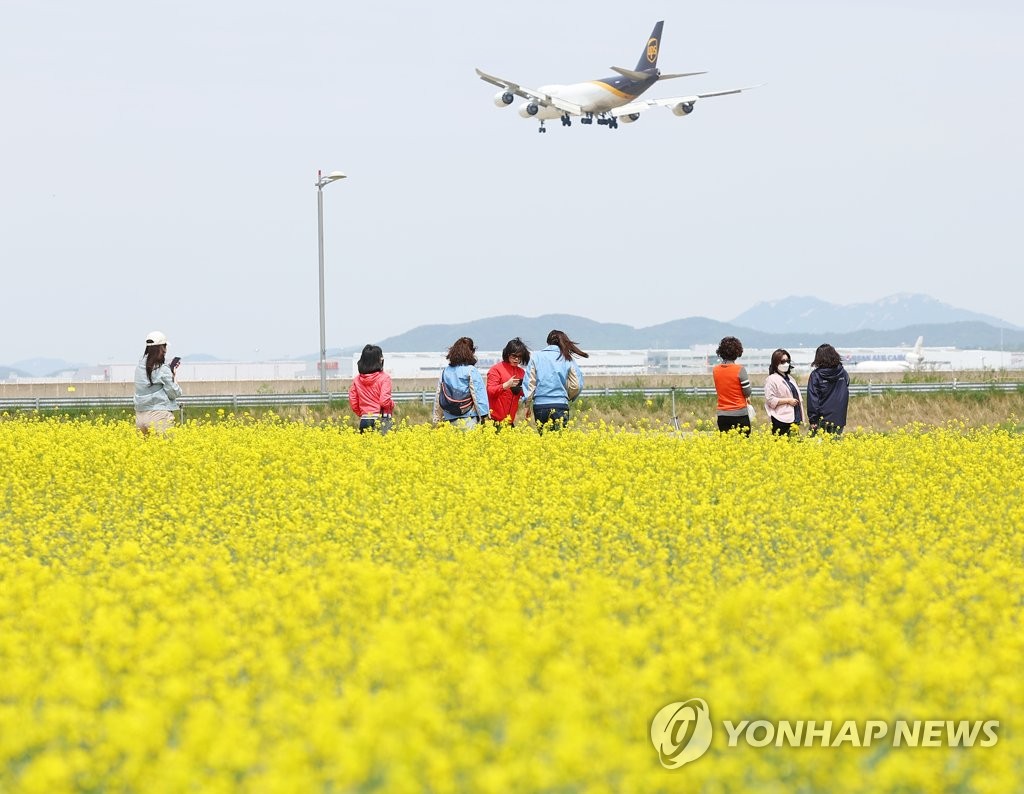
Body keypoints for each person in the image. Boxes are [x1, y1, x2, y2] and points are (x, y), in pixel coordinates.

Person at [522, 329, 588, 431]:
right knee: (559, 441)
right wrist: (566, 396)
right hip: (560, 404)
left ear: (548, 342)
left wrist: (527, 404)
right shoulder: (567, 358)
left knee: (544, 441)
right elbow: (576, 385)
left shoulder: (536, 357)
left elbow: (530, 383)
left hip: (540, 405)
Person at [432, 336, 489, 428]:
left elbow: (439, 393)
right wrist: (484, 415)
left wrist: (437, 417)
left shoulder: (446, 371)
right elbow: (478, 394)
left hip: (449, 417)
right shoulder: (471, 370)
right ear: (470, 352)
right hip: (468, 416)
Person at [134, 330, 182, 436]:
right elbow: (174, 393)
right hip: (159, 416)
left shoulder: (139, 367)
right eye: (165, 347)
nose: (165, 350)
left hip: (140, 417)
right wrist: (173, 375)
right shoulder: (163, 369)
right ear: (161, 348)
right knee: (167, 451)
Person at [348, 344, 395, 434]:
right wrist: (392, 404)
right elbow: (384, 401)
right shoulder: (384, 378)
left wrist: (364, 413)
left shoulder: (357, 380)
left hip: (365, 420)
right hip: (382, 418)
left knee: (366, 447)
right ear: (379, 360)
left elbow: (353, 403)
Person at [806, 343, 851, 435]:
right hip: (839, 419)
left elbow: (813, 398)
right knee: (835, 446)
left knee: (817, 448)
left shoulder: (816, 375)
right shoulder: (843, 373)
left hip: (821, 420)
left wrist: (813, 419)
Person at [712, 336, 752, 435]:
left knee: (727, 445)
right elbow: (747, 392)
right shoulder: (740, 370)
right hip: (740, 413)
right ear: (737, 352)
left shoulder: (716, 370)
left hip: (722, 414)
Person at [487, 337, 530, 426]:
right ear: (507, 354)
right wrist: (505, 385)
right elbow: (490, 391)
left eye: (519, 357)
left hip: (510, 421)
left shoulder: (521, 372)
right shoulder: (496, 369)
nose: (517, 359)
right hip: (494, 421)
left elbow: (525, 393)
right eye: (514, 356)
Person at [764, 348, 804, 436]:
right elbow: (770, 400)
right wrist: (788, 401)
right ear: (776, 363)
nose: (785, 364)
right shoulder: (771, 379)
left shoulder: (790, 378)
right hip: (781, 418)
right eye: (782, 361)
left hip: (794, 417)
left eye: (787, 361)